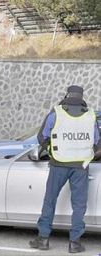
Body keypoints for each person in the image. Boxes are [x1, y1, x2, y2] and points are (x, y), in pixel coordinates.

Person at [29, 85, 101, 253]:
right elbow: (98, 143)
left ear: (67, 95)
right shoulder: (90, 116)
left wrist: (52, 149)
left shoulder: (56, 113)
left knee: (50, 200)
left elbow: (42, 137)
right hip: (81, 166)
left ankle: (43, 239)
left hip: (58, 164)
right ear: (82, 97)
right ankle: (74, 243)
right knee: (79, 204)